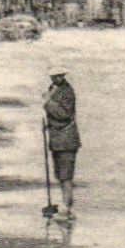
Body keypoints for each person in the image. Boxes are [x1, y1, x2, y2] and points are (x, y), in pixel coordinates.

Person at [43, 66, 80, 221]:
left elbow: (65, 114)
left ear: (63, 75)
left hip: (67, 139)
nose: (55, 78)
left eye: (58, 76)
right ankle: (65, 207)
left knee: (66, 176)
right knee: (59, 174)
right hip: (57, 138)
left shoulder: (67, 92)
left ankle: (68, 209)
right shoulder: (53, 88)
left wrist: (48, 104)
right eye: (53, 76)